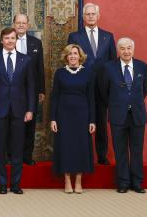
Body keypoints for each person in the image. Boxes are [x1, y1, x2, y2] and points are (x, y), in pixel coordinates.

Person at [0, 27, 35, 194]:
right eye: (7, 38)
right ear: (2, 41)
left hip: (20, 110)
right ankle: (3, 183)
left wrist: (30, 109)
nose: (10, 41)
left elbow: (31, 88)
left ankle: (16, 184)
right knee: (0, 148)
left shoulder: (26, 60)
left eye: (13, 38)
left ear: (16, 40)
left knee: (18, 148)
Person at [67, 3, 116, 164]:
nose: (90, 16)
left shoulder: (108, 37)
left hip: (103, 87)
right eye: (87, 14)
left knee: (101, 123)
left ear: (98, 15)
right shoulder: (74, 36)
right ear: (83, 17)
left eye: (93, 14)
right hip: (82, 84)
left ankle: (102, 157)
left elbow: (113, 63)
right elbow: (70, 61)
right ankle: (82, 156)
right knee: (81, 121)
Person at [99, 37, 147, 193]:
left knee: (136, 150)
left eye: (129, 48)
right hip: (117, 115)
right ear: (118, 50)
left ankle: (137, 183)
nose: (126, 51)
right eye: (122, 48)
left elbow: (144, 90)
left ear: (133, 49)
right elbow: (103, 92)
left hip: (137, 115)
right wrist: (118, 103)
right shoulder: (108, 68)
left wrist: (132, 102)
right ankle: (123, 183)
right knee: (120, 151)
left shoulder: (142, 66)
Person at [0, 14, 45, 165]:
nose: (21, 25)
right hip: (12, 91)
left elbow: (40, 68)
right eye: (18, 23)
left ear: (28, 25)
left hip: (31, 91)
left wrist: (41, 90)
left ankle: (27, 156)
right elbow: (0, 66)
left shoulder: (36, 43)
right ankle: (10, 156)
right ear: (14, 24)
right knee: (12, 124)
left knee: (29, 125)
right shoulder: (7, 41)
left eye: (24, 23)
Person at [50, 44, 95, 193]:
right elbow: (54, 97)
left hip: (82, 115)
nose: (73, 56)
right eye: (70, 54)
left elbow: (91, 98)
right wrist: (53, 118)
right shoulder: (60, 73)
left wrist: (92, 120)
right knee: (66, 146)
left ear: (80, 56)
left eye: (75, 53)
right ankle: (67, 180)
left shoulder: (88, 73)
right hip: (63, 115)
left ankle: (79, 181)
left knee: (81, 147)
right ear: (66, 56)